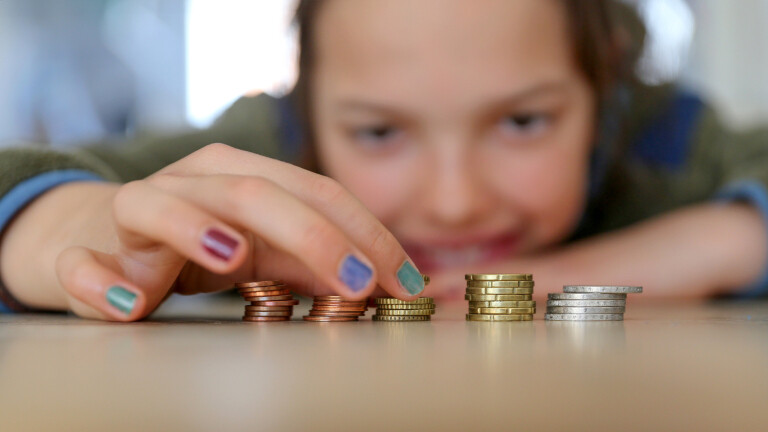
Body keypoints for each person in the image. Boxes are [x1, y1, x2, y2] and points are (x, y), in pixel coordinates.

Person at [1, 0, 767, 322]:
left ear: (604, 87)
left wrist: (721, 241)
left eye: (524, 120)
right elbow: (42, 185)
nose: (455, 202)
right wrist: (52, 220)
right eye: (378, 133)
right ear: (306, 105)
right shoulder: (263, 149)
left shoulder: (669, 141)